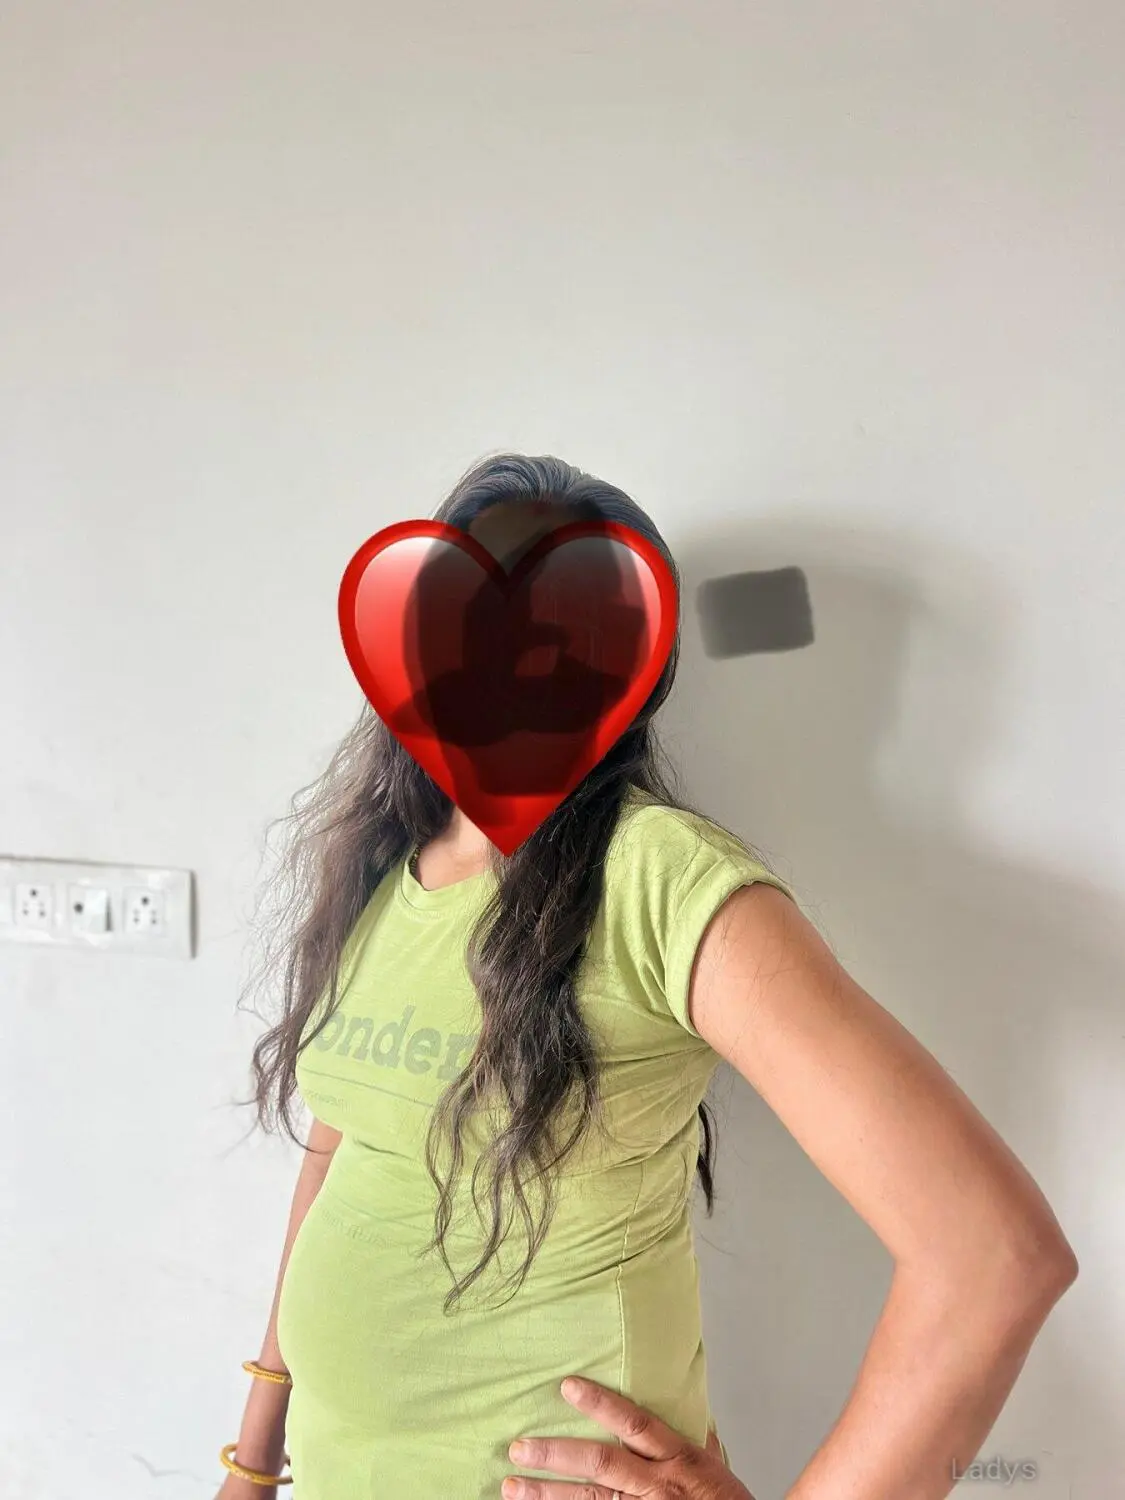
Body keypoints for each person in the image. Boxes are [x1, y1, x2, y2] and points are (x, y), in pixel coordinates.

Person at [216, 453, 1077, 1500]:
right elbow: (342, 1146)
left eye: (556, 634)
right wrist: (254, 1458)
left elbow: (994, 1258)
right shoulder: (382, 868)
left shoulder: (658, 879)